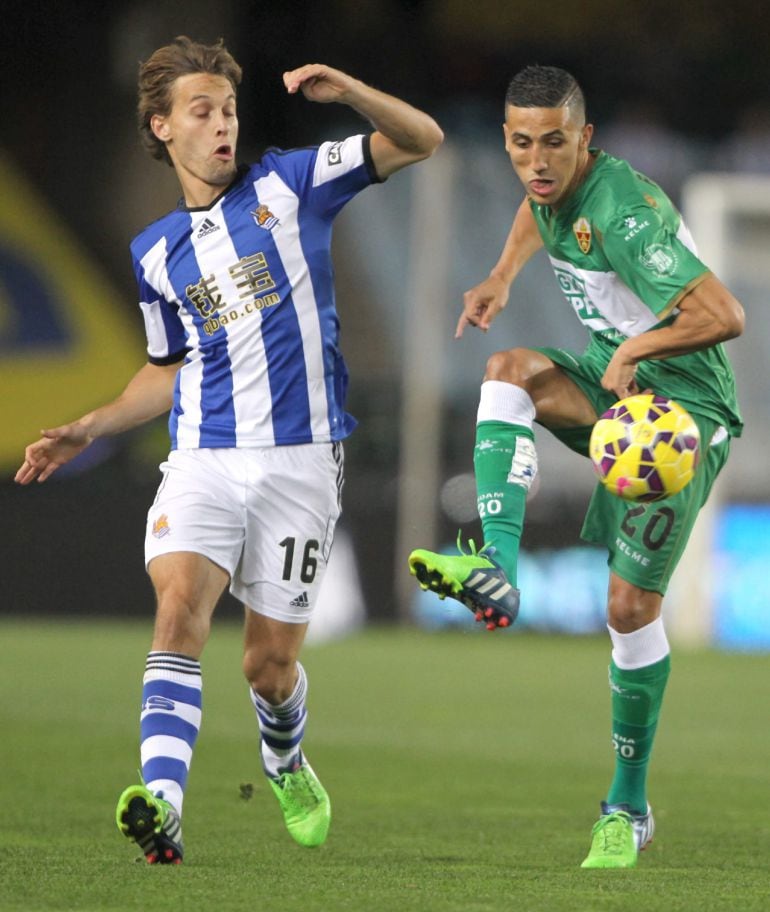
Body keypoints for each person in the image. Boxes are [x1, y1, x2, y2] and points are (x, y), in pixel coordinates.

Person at [16, 36, 443, 864]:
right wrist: (90, 425)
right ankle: (163, 805)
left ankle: (284, 758)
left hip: (301, 462)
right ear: (162, 128)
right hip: (205, 455)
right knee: (176, 614)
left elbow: (423, 138)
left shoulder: (291, 184)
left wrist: (350, 87)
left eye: (229, 109)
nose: (222, 126)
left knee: (267, 668)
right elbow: (165, 370)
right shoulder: (155, 254)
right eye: (202, 112)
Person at [408, 65, 743, 869]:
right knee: (509, 372)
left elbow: (723, 313)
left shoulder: (624, 213)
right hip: (612, 382)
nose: (537, 162)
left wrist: (635, 344)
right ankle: (498, 567)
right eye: (522, 144)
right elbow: (535, 208)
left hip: (684, 410)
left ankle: (627, 809)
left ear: (585, 140)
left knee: (628, 610)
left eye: (554, 143)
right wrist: (500, 275)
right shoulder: (547, 186)